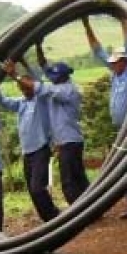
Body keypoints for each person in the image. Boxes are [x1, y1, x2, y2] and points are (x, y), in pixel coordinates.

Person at [83, 16, 127, 219]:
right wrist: (87, 25)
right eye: (112, 62)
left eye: (116, 62)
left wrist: (125, 23)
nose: (112, 64)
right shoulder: (115, 74)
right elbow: (98, 51)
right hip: (123, 128)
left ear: (124, 61)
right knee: (125, 166)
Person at [0, 59, 60, 222]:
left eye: (25, 86)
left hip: (40, 149)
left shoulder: (41, 99)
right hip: (27, 152)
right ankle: (48, 219)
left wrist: (15, 74)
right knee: (32, 190)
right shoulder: (21, 103)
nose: (23, 89)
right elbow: (3, 101)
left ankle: (53, 216)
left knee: (38, 188)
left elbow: (37, 82)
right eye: (21, 88)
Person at [35, 41, 90, 205]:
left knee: (69, 179)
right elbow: (44, 67)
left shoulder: (66, 90)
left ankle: (77, 212)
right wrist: (38, 46)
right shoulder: (59, 85)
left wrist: (15, 75)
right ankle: (89, 206)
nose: (51, 77)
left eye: (54, 76)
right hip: (69, 141)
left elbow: (41, 87)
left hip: (70, 141)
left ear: (62, 77)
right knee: (78, 176)